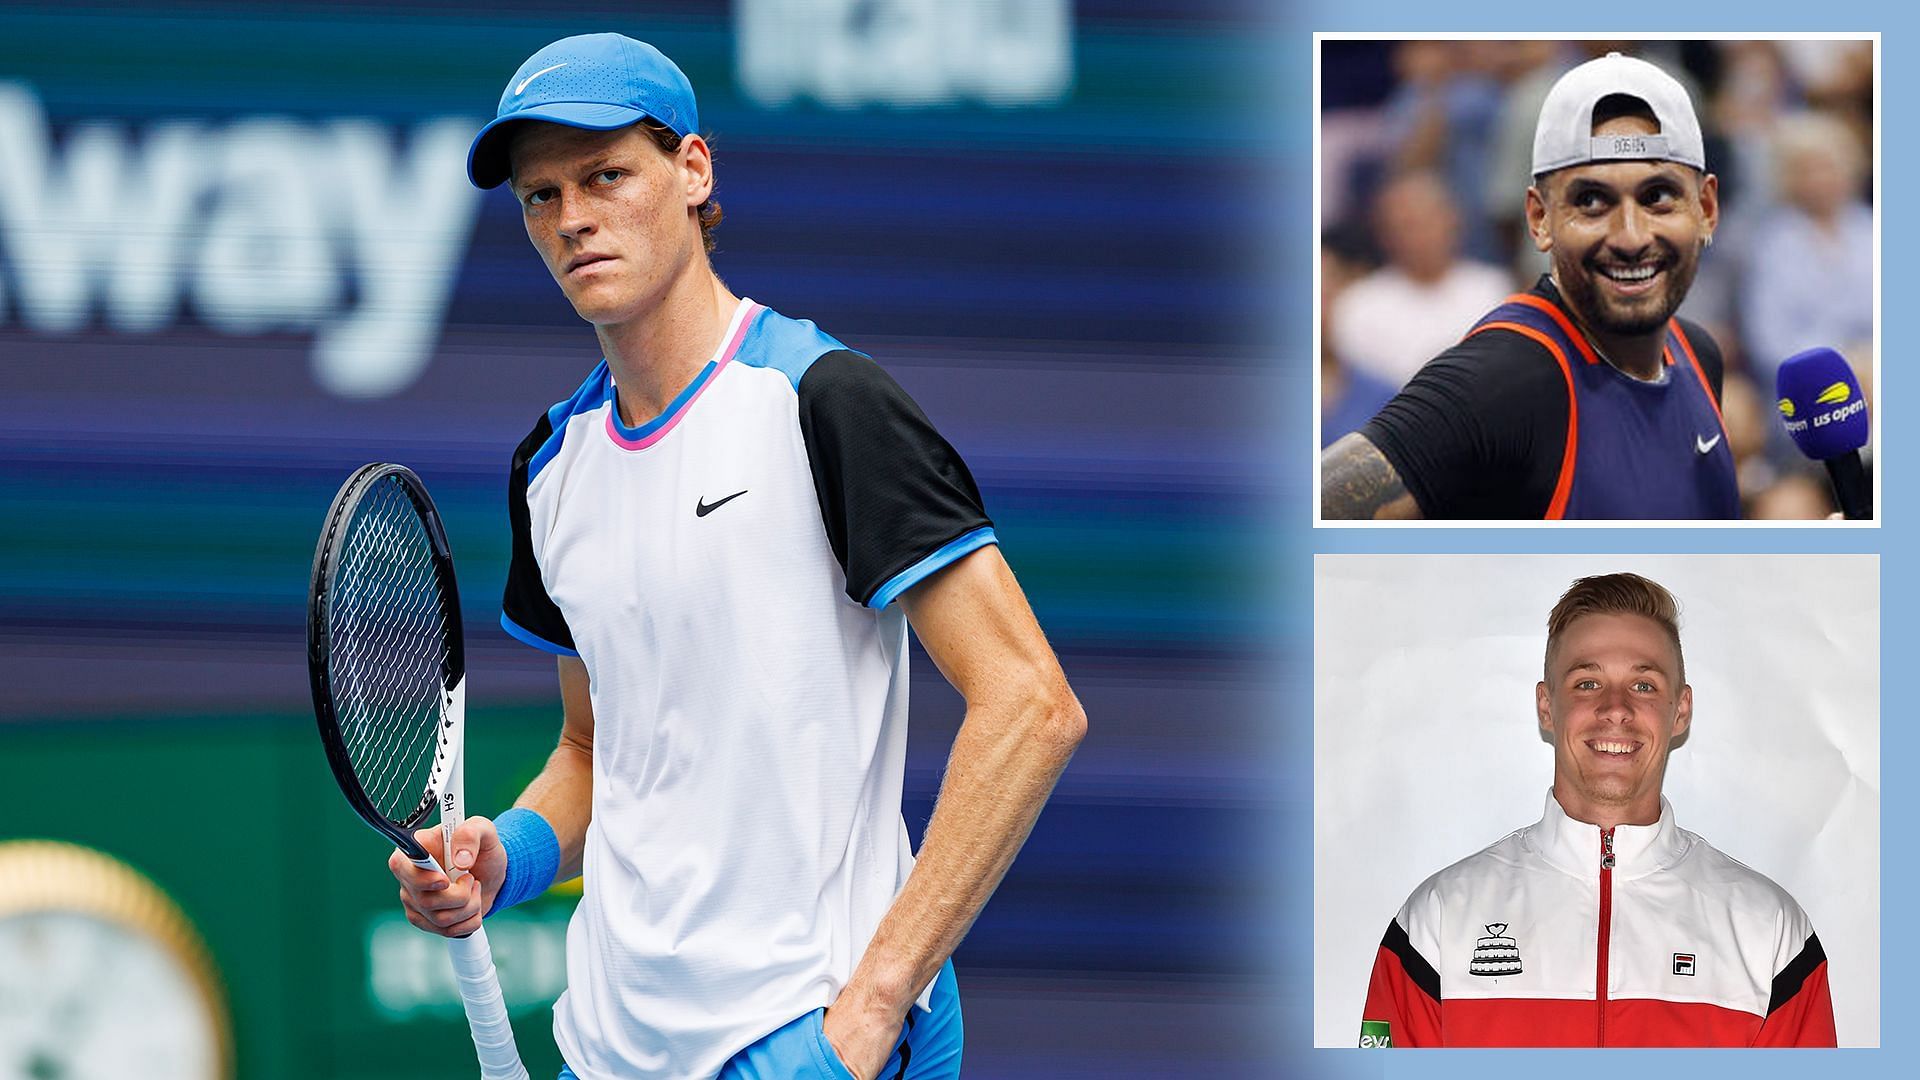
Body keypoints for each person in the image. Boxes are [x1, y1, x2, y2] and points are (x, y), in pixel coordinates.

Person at [386, 34, 1086, 1080]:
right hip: (610, 1049)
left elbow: (1031, 706)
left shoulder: (823, 400)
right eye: (541, 197)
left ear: (694, 171)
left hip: (808, 1038)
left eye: (606, 176)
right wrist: (509, 857)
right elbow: (594, 752)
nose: (573, 218)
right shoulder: (550, 465)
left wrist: (871, 1008)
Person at [1358, 573, 1835, 1047]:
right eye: (1587, 683)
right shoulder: (1438, 923)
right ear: (1547, 706)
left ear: (1681, 711)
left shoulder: (1769, 932)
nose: (1615, 708)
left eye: (1644, 686)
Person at [1322, 53, 1737, 519]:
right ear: (1539, 218)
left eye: (1657, 197)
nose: (1631, 237)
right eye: (1592, 201)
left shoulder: (1697, 354)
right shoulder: (1503, 378)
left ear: (1706, 208)